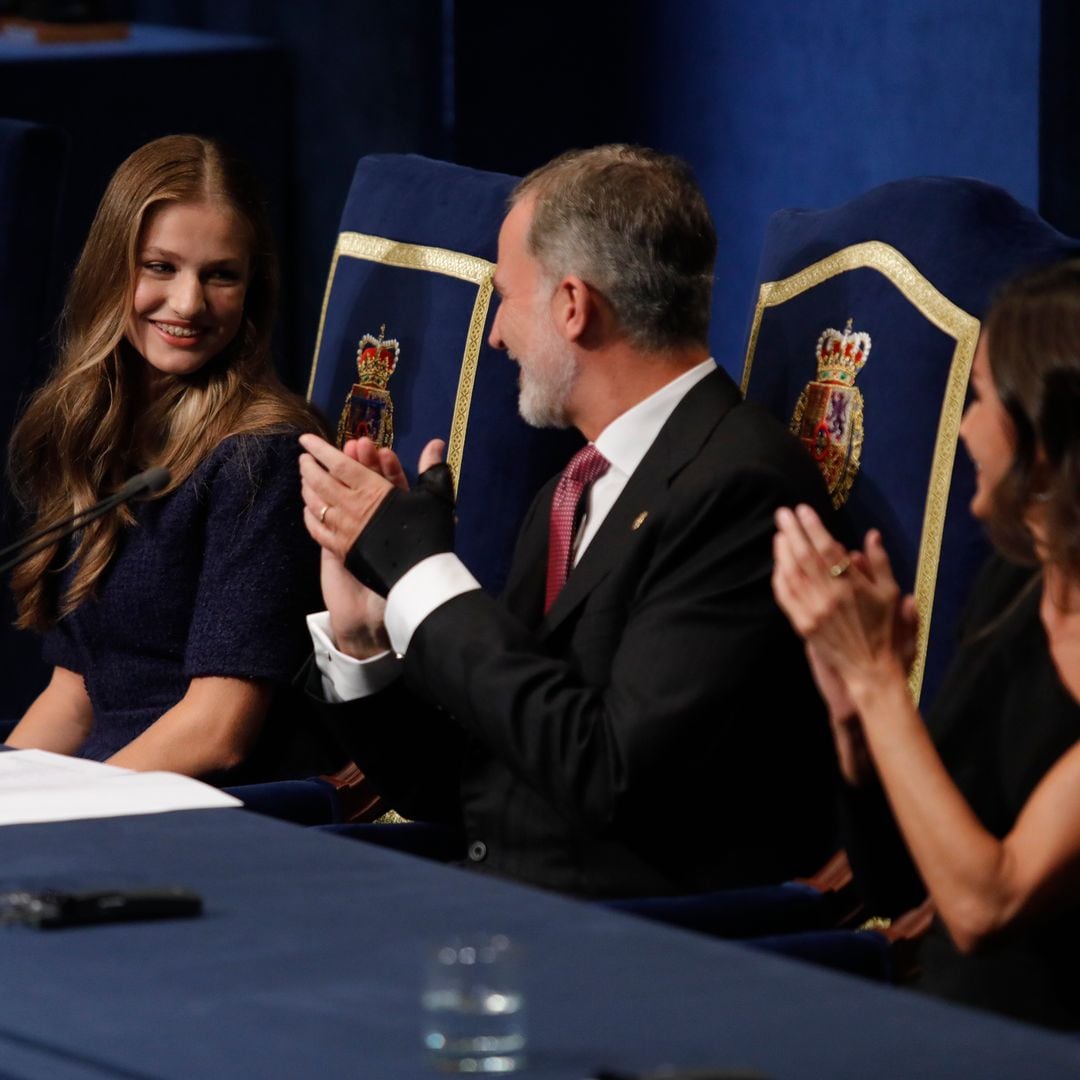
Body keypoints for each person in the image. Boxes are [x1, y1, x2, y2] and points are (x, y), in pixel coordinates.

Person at [300, 145, 838, 898]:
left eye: (505, 298)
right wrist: (369, 634)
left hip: (646, 952)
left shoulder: (741, 486)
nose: (494, 334)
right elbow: (477, 786)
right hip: (510, 910)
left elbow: (610, 775)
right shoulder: (570, 488)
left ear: (572, 306)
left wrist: (424, 572)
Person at [772, 259, 1080, 1028]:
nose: (966, 426)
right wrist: (854, 713)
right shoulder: (1012, 587)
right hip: (948, 1024)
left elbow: (986, 902)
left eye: (979, 398)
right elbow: (902, 883)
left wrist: (880, 681)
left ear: (1047, 428)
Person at [6, 134, 330, 783]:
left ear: (252, 290)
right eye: (160, 266)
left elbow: (217, 731)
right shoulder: (100, 435)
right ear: (110, 269)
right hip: (108, 789)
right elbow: (73, 697)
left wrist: (61, 815)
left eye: (220, 275)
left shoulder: (258, 459)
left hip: (211, 810)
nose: (188, 304)